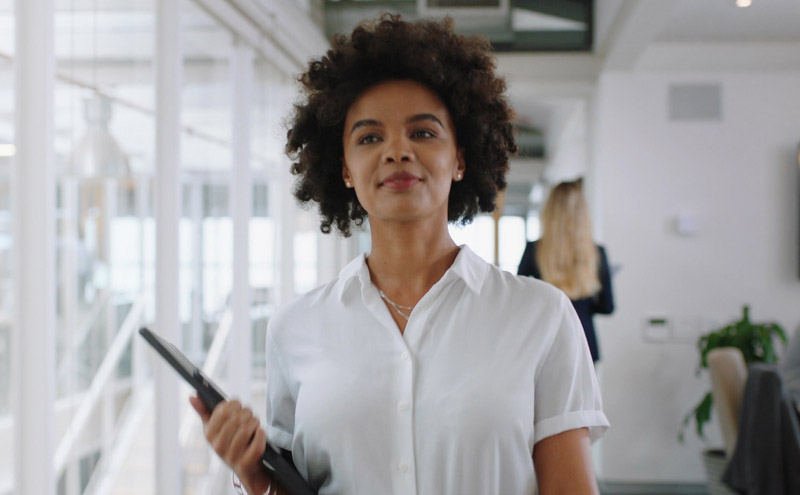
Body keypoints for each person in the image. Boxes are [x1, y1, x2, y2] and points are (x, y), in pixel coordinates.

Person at [191, 14, 609, 495]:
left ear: (460, 158)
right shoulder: (295, 328)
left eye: (423, 132)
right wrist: (253, 475)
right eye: (369, 138)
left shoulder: (541, 316)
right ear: (345, 170)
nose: (396, 151)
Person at [517, 178, 615, 363]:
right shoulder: (597, 253)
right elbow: (607, 307)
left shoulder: (533, 250)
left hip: (545, 341)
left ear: (549, 211)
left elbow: (520, 297)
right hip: (584, 342)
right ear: (583, 214)